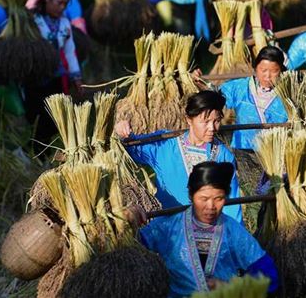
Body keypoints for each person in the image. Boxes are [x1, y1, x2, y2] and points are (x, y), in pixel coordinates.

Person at [139, 162, 279, 297]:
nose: (211, 206)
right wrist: (127, 220)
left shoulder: (232, 231)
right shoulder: (169, 226)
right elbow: (133, 246)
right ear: (191, 196)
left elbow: (268, 275)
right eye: (203, 198)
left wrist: (231, 286)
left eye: (218, 198)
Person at [115, 91, 242, 222]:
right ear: (189, 119)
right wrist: (121, 132)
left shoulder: (223, 156)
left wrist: (235, 236)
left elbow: (231, 203)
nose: (212, 128)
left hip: (208, 230)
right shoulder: (164, 145)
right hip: (169, 229)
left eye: (216, 121)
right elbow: (129, 148)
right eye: (205, 121)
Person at [24, 0, 83, 145]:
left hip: (56, 78)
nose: (62, 7)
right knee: (37, 116)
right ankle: (32, 151)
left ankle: (39, 152)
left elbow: (70, 51)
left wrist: (76, 76)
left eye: (65, 4)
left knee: (53, 118)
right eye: (59, 3)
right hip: (35, 78)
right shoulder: (33, 20)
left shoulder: (64, 23)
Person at [220, 46, 288, 150]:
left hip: (277, 150)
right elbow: (217, 95)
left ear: (281, 71)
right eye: (263, 70)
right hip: (243, 149)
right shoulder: (241, 87)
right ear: (256, 68)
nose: (268, 76)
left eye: (274, 71)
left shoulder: (289, 92)